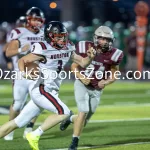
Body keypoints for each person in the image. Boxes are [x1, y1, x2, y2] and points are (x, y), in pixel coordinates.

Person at [0, 21, 96, 150]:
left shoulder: (68, 47)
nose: (62, 38)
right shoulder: (43, 48)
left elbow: (83, 63)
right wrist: (25, 74)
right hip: (42, 89)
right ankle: (35, 134)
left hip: (50, 91)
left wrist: (89, 58)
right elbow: (23, 60)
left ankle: (33, 134)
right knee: (64, 113)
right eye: (58, 36)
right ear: (49, 36)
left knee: (17, 122)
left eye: (63, 35)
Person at [60, 26, 123, 150]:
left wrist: (106, 81)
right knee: (83, 111)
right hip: (81, 84)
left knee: (86, 118)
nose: (104, 42)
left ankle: (70, 118)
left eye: (107, 39)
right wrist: (81, 76)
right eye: (102, 39)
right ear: (95, 38)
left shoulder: (115, 54)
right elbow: (74, 66)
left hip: (97, 88)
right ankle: (74, 142)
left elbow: (115, 73)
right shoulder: (85, 47)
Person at [4, 7, 45, 140]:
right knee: (17, 105)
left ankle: (29, 128)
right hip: (21, 73)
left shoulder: (44, 33)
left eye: (39, 20)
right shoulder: (18, 32)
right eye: (34, 19)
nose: (37, 23)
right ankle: (9, 130)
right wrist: (21, 49)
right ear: (28, 19)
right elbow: (8, 53)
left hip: (37, 73)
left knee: (38, 101)